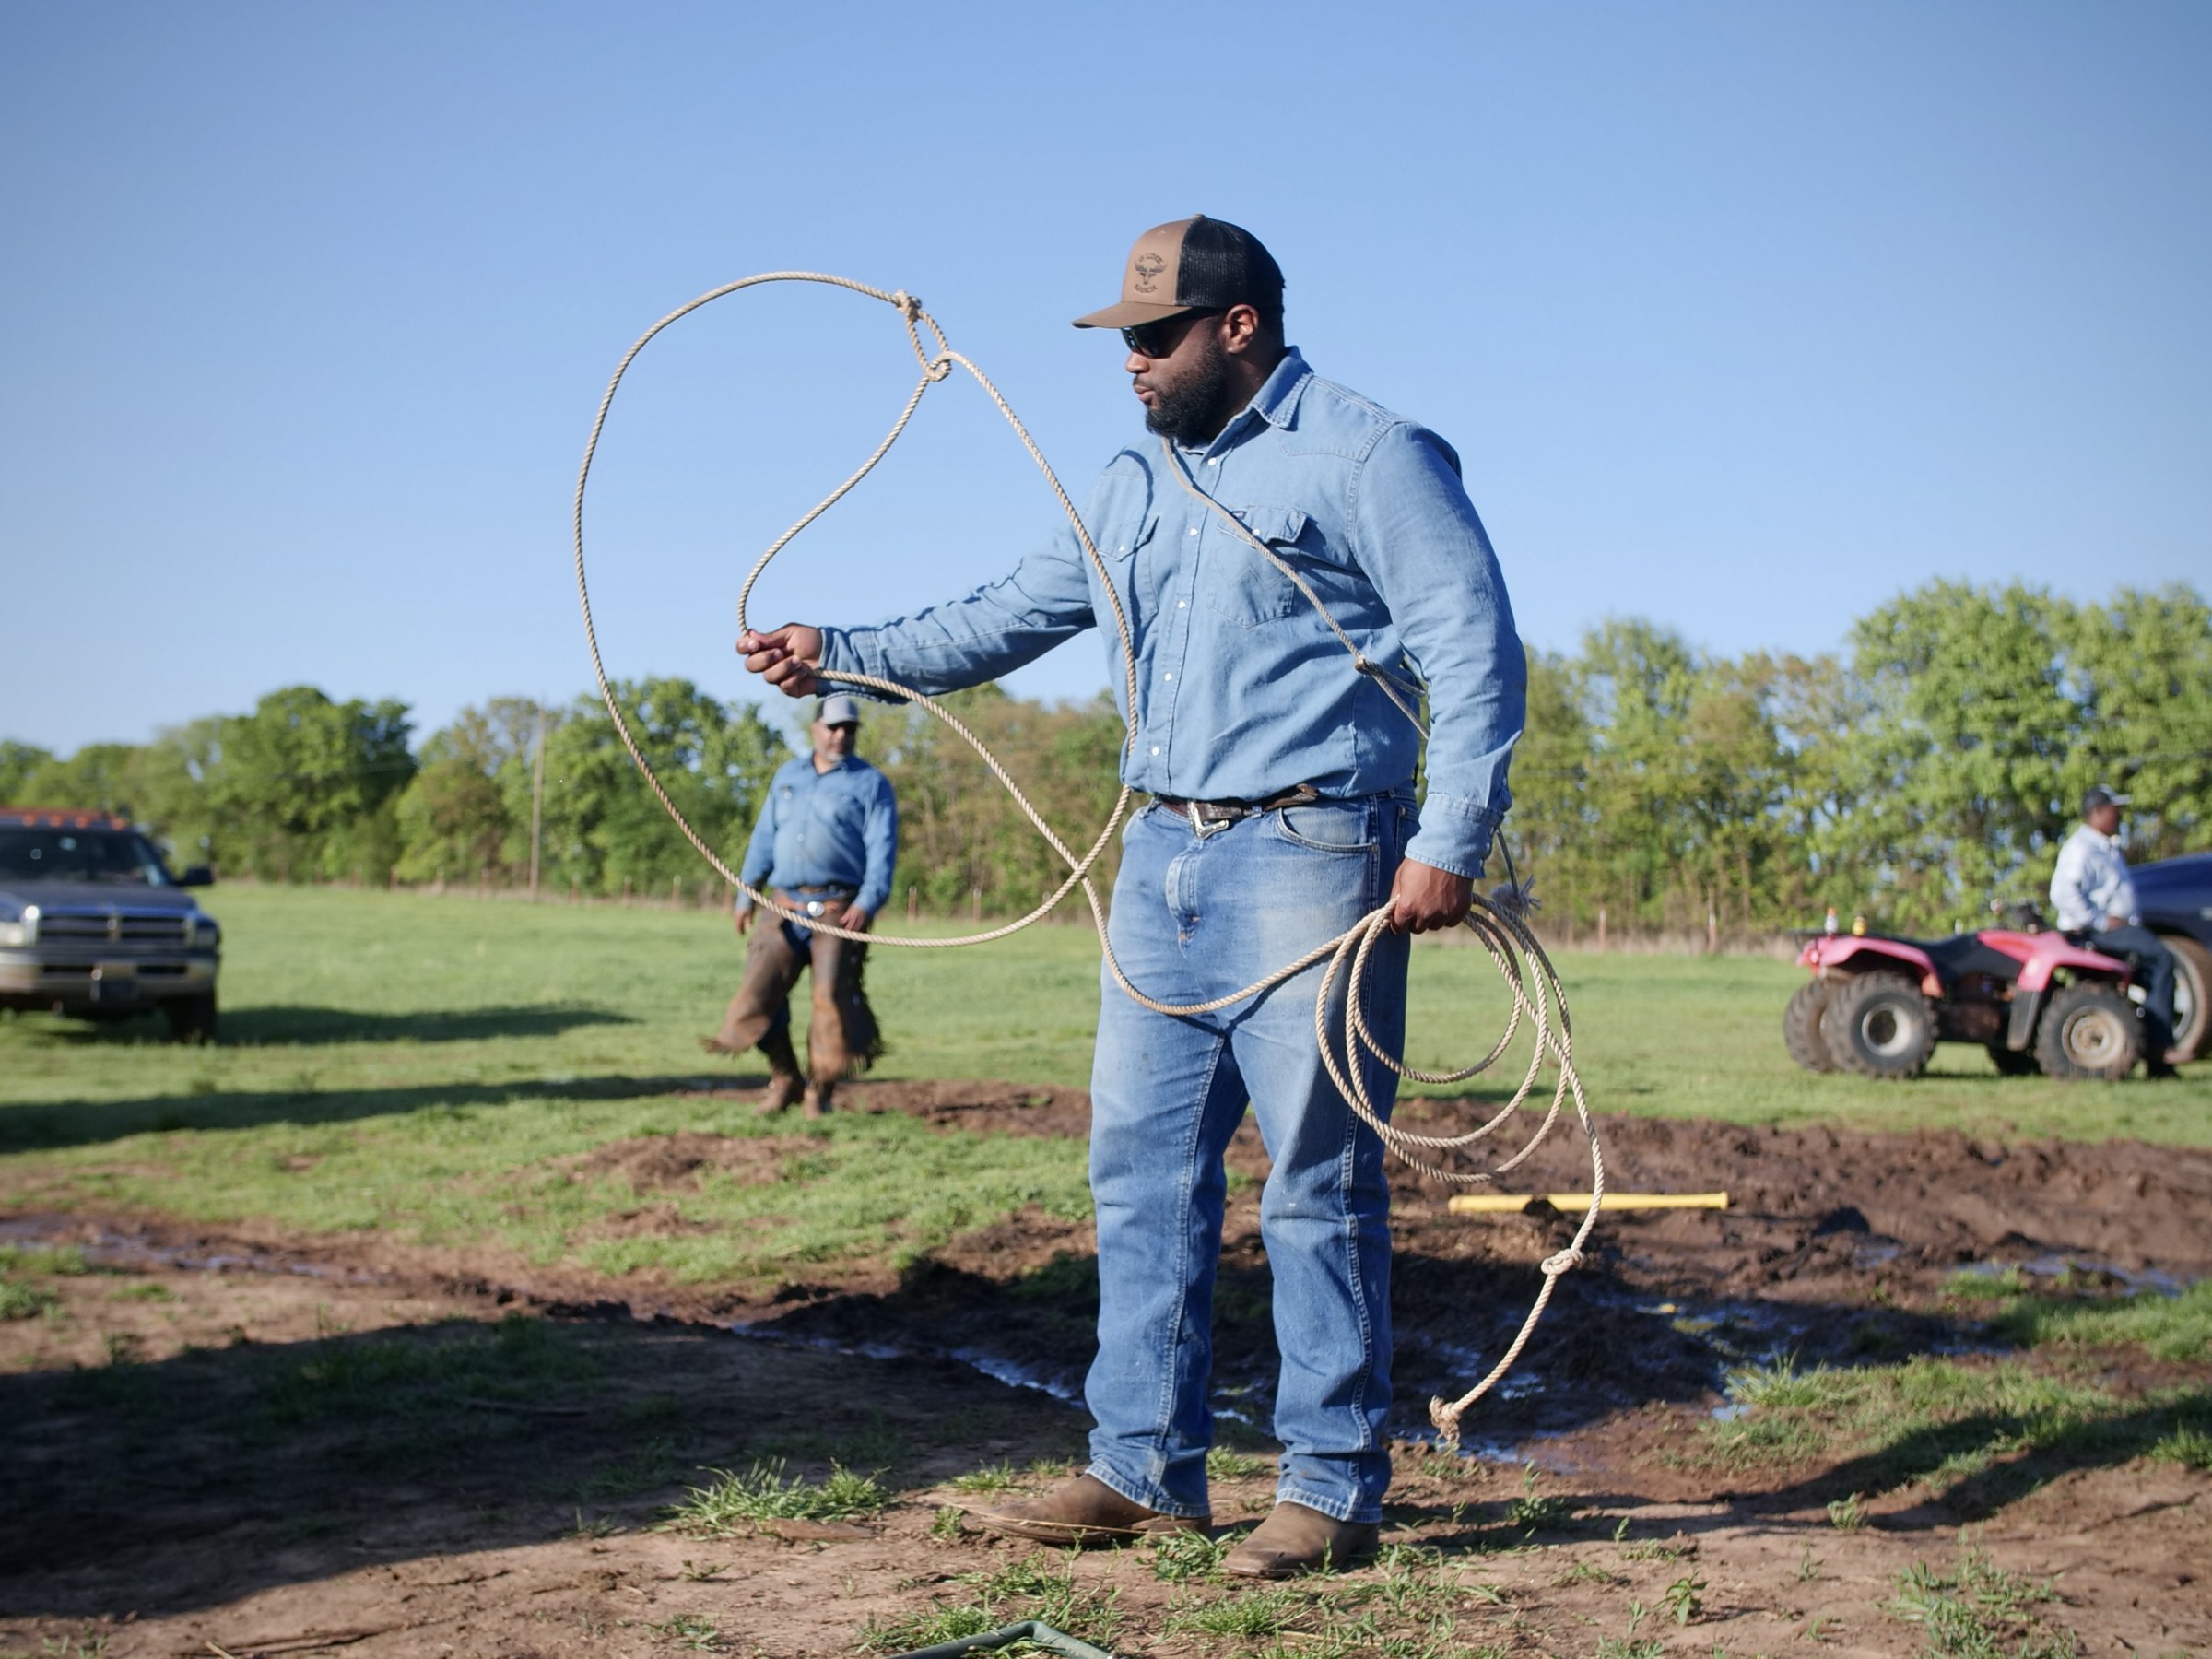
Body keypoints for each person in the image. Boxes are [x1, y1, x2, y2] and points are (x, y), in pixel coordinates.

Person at [737, 216, 1524, 1575]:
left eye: (1154, 337)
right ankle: (1145, 1473)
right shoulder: (1131, 481)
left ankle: (1331, 1491)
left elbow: (1475, 646)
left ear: (1239, 327)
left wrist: (1448, 835)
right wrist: (841, 653)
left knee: (1315, 1184)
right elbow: (1003, 615)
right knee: (1141, 1175)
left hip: (1317, 856)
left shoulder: (1368, 454)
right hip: (1157, 863)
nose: (1133, 362)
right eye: (1123, 341)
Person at [702, 694, 897, 1116]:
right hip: (784, 904)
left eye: (849, 728)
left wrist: (868, 902)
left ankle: (820, 1090)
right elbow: (764, 839)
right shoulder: (788, 776)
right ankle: (785, 1077)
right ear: (815, 728)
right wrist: (745, 895)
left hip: (839, 908)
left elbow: (882, 849)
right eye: (833, 727)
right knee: (758, 995)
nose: (840, 735)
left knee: (831, 1001)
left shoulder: (870, 783)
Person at [2050, 784, 2180, 1076]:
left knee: (2151, 968)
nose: (2119, 815)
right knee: (2161, 958)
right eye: (2113, 809)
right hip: (2093, 933)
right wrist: (2099, 921)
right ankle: (2159, 1050)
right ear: (2096, 812)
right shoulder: (2082, 848)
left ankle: (2149, 1043)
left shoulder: (2105, 846)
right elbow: (2062, 892)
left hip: (2110, 929)